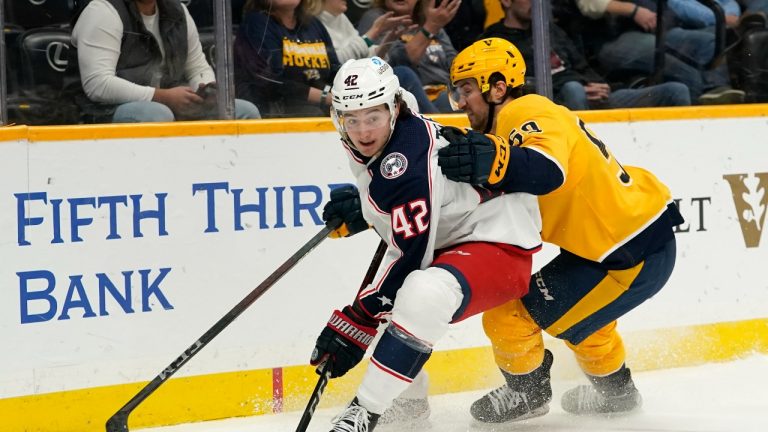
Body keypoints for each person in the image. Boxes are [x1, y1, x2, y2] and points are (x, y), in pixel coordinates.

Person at [437, 38, 685, 423]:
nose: (461, 102)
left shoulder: (524, 109)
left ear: (499, 87)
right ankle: (618, 395)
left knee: (509, 316)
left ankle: (528, 392)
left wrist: (494, 160)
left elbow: (547, 169)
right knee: (584, 322)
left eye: (467, 90)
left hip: (628, 252)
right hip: (626, 245)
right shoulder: (511, 128)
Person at [311, 56, 544, 431]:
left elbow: (410, 252)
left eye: (372, 117)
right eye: (351, 119)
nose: (362, 131)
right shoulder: (393, 127)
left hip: (498, 245)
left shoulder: (407, 161)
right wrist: (372, 212)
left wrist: (357, 321)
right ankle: (407, 409)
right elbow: (410, 218)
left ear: (393, 107)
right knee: (398, 297)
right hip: (449, 237)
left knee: (419, 294)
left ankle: (364, 412)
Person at [71, 0, 261, 123]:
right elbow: (97, 85)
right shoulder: (103, 11)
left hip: (168, 103)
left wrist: (207, 90)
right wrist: (161, 96)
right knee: (155, 115)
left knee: (244, 110)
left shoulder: (179, 12)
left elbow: (197, 68)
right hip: (103, 112)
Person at [483, 0, 691, 110]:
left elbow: (582, 67)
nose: (537, 4)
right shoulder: (494, 40)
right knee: (573, 90)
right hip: (555, 104)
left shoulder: (551, 30)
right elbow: (514, 87)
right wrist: (575, 86)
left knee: (676, 90)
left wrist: (601, 86)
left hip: (592, 97)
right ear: (506, 1)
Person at [314, 0, 440, 112]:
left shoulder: (341, 18)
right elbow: (336, 63)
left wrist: (386, 43)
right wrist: (374, 31)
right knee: (403, 74)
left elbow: (365, 60)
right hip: (347, 88)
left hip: (361, 84)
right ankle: (439, 129)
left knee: (447, 97)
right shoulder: (314, 23)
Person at [234, 0, 340, 117]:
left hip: (324, 106)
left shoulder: (313, 24)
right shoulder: (256, 24)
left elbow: (334, 69)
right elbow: (271, 83)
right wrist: (326, 97)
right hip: (275, 113)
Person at [357, 0, 462, 112]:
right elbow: (396, 63)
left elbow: (453, 61)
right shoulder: (378, 20)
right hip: (414, 94)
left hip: (445, 90)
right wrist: (431, 27)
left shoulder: (429, 20)